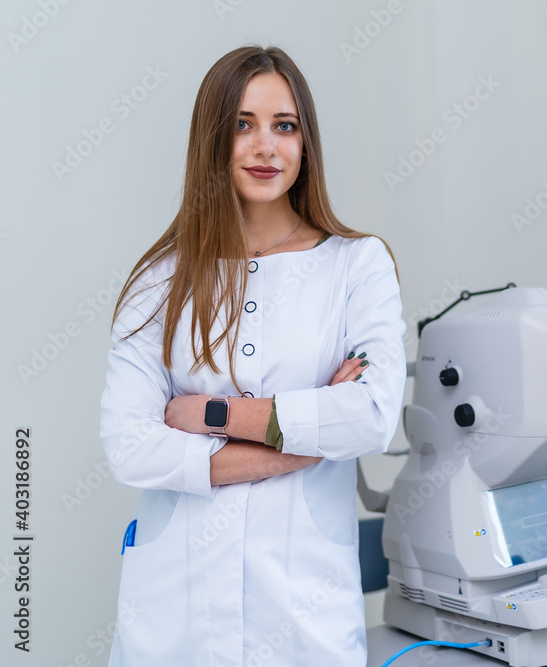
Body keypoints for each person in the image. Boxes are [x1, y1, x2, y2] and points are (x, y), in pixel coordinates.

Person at [99, 45, 406, 666]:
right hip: (174, 618)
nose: (267, 146)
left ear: (305, 144)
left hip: (302, 618)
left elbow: (372, 416)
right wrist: (292, 447)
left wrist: (213, 416)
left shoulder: (356, 265)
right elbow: (127, 445)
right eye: (243, 124)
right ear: (210, 141)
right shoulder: (160, 282)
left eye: (284, 126)